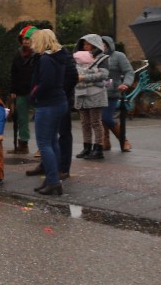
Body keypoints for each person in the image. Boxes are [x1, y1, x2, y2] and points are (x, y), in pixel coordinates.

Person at [27, 28, 72, 195]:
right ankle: (52, 178)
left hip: (48, 104)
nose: (31, 44)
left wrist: (33, 95)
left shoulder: (46, 59)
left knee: (44, 144)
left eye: (34, 40)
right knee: (52, 142)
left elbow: (45, 82)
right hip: (59, 101)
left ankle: (53, 181)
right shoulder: (58, 57)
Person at [72, 36, 110, 161]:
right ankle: (86, 147)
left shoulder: (103, 58)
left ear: (95, 45)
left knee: (95, 122)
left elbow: (104, 74)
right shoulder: (77, 58)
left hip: (95, 93)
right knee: (85, 123)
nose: (85, 47)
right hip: (81, 93)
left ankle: (98, 148)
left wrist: (84, 77)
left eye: (88, 44)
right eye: (84, 44)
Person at [99, 35, 137, 153]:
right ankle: (105, 142)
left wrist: (126, 83)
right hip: (97, 92)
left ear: (108, 44)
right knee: (100, 118)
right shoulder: (95, 56)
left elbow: (129, 71)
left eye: (103, 44)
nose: (100, 46)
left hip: (112, 92)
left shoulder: (118, 56)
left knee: (106, 117)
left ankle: (124, 140)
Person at [8, 28, 36, 155]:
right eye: (24, 39)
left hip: (35, 90)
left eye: (28, 39)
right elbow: (14, 72)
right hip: (21, 91)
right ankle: (23, 144)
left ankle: (43, 146)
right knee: (22, 119)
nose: (25, 41)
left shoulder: (38, 54)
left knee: (41, 118)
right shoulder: (18, 53)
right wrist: (13, 90)